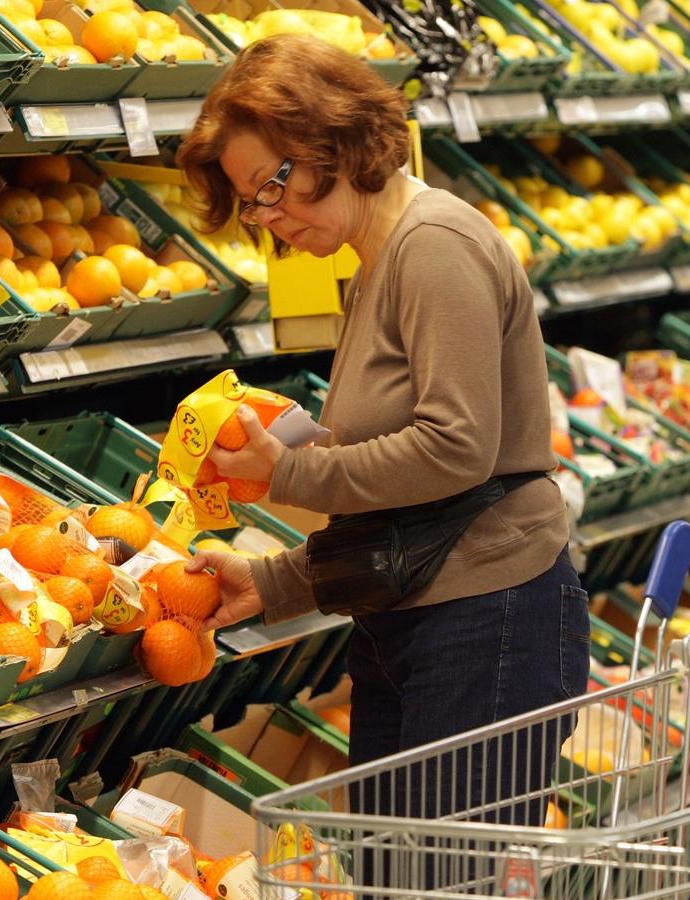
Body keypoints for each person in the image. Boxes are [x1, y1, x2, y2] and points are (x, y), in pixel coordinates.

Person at [174, 32, 590, 857]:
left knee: (437, 881)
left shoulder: (433, 248)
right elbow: (408, 500)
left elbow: (455, 451)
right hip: (418, 614)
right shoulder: (379, 257)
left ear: (332, 142)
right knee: (396, 875)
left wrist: (288, 469)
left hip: (486, 622)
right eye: (253, 202)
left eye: (271, 188)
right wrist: (276, 582)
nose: (268, 217)